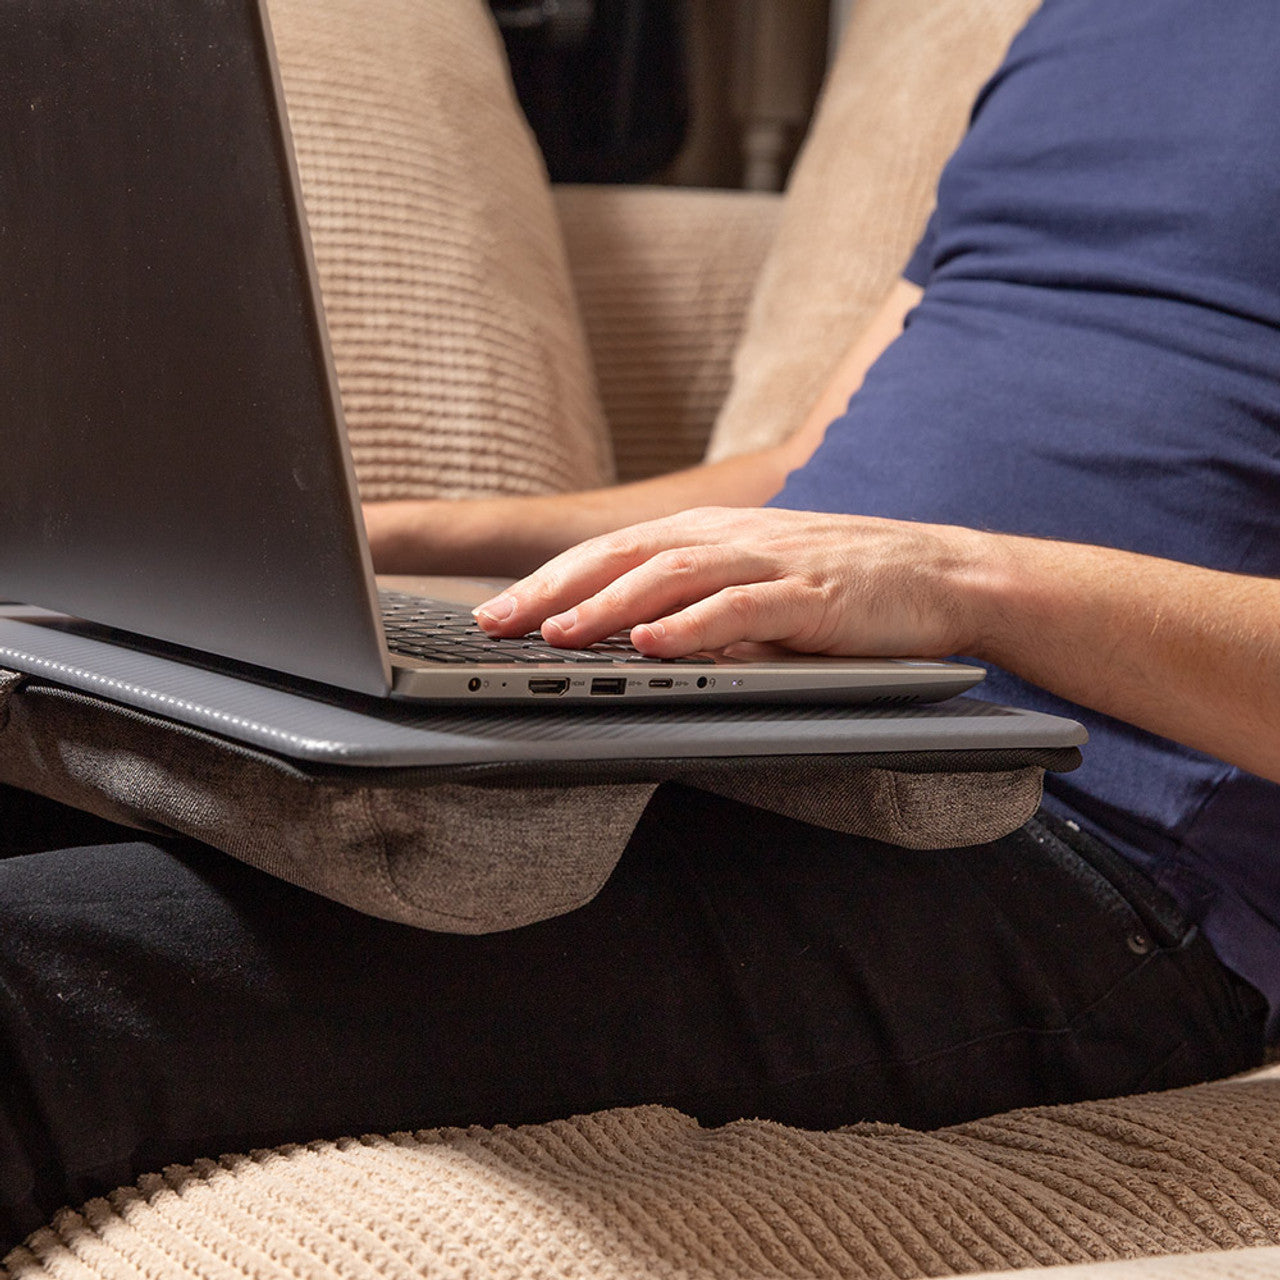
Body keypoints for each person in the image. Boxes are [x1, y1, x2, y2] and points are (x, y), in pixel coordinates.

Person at [1, 0, 1277, 1250]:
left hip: (1088, 851)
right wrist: (366, 530)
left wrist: (960, 578)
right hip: (762, 710)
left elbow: (911, 546)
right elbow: (803, 476)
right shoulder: (1080, 24)